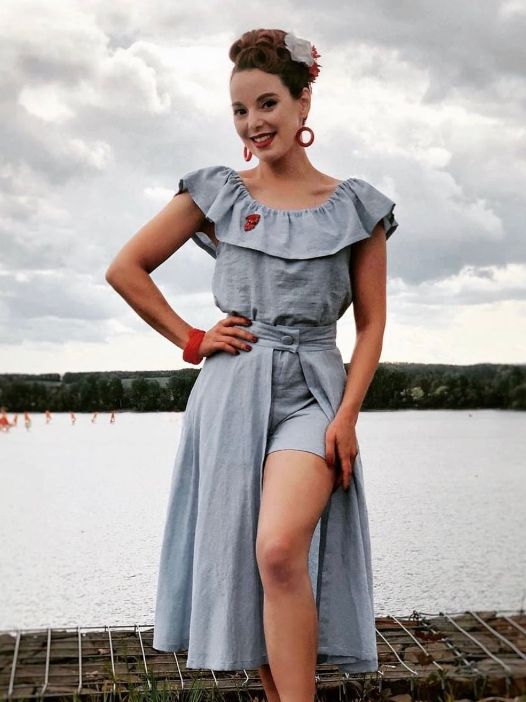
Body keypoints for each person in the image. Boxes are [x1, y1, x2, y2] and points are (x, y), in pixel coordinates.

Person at [106, 27, 398, 702]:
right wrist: (191, 338)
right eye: (240, 109)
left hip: (315, 392)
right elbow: (126, 269)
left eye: (267, 104)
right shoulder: (219, 193)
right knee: (250, 565)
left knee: (277, 548)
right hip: (233, 388)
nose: (253, 122)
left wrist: (347, 416)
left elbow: (372, 324)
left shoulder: (358, 206)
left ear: (302, 104)